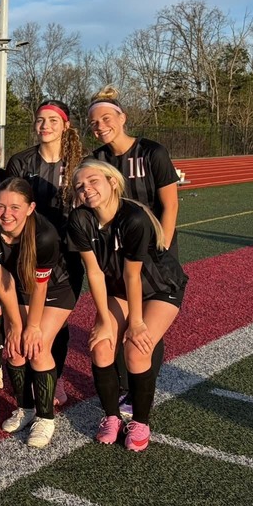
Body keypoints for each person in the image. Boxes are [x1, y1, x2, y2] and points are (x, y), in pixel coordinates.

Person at [67, 159, 187, 452]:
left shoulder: (133, 217)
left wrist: (135, 323)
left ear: (112, 182)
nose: (87, 189)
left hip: (158, 286)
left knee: (136, 348)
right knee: (101, 345)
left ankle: (141, 421)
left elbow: (134, 275)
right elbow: (94, 272)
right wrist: (106, 321)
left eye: (93, 181)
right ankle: (111, 417)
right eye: (80, 186)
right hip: (119, 287)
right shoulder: (80, 219)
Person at [88, 86, 180, 409]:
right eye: (94, 123)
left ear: (122, 118)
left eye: (106, 118)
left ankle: (140, 392)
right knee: (118, 329)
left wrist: (162, 246)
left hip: (153, 256)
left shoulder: (152, 152)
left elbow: (169, 205)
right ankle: (126, 388)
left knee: (144, 332)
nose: (100, 126)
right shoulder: (96, 161)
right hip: (116, 258)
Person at [0, 178, 79, 449]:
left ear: (31, 207)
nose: (6, 214)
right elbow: (2, 282)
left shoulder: (44, 235)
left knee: (37, 346)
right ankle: (26, 408)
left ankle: (46, 418)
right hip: (19, 288)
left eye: (14, 207)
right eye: (0, 206)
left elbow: (41, 287)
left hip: (56, 289)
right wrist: (13, 325)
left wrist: (30, 327)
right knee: (16, 347)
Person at [5, 99, 86, 404]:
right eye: (40, 120)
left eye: (53, 120)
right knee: (27, 320)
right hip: (29, 253)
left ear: (66, 125)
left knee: (57, 322)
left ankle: (56, 375)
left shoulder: (81, 162)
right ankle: (28, 379)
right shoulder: (21, 162)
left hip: (69, 255)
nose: (45, 126)